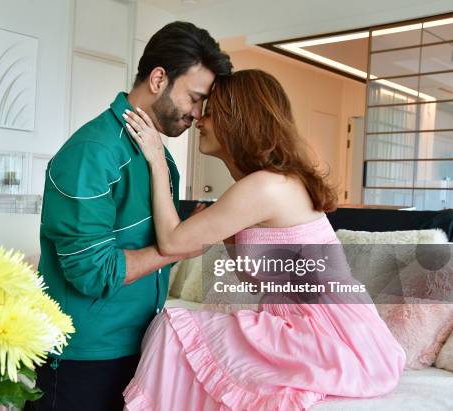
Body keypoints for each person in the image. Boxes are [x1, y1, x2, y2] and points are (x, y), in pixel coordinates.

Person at [123, 69, 405, 410]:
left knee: (173, 325)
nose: (199, 118)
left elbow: (170, 243)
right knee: (188, 337)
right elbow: (250, 276)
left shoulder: (267, 186)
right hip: (317, 325)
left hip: (325, 333)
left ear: (236, 120)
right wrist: (222, 229)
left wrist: (157, 161)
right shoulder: (266, 185)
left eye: (210, 112)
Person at [26, 22, 232, 411]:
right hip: (84, 356)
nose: (197, 114)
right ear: (158, 79)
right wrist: (181, 247)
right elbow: (92, 272)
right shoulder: (93, 151)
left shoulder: (160, 159)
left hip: (141, 346)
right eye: (194, 97)